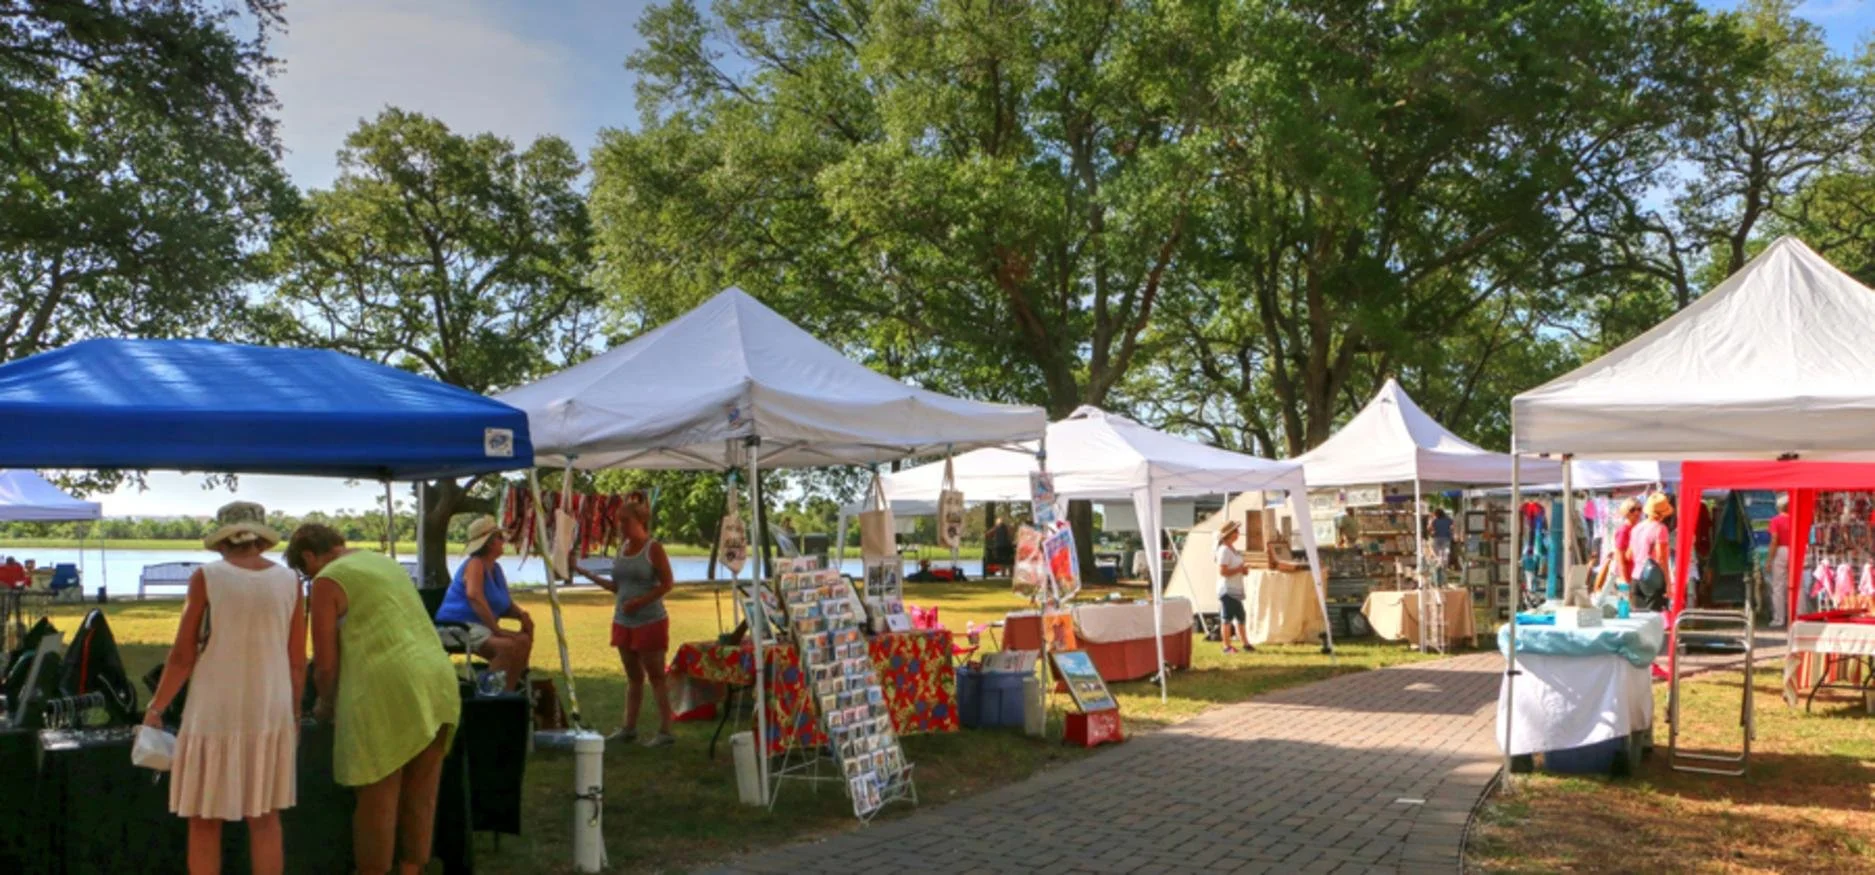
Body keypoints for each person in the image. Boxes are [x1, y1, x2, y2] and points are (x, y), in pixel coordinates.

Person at [288, 524, 460, 875]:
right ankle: (412, 869)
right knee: (421, 794)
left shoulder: (327, 580)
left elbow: (324, 663)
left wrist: (325, 704)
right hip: (438, 680)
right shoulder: (385, 563)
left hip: (385, 689)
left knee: (377, 797)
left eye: (304, 572)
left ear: (308, 556)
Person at [144, 502, 302, 875]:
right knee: (265, 818)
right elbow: (297, 658)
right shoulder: (290, 581)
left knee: (203, 818)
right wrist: (294, 713)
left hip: (214, 708)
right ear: (260, 540)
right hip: (270, 707)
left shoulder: (207, 577)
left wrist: (156, 707)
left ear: (220, 542)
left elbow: (183, 655)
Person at [575, 491, 676, 745]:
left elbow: (667, 584)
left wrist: (640, 602)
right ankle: (628, 727)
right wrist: (583, 573)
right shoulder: (622, 549)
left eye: (625, 522)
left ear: (640, 521)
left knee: (656, 676)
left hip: (650, 621)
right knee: (633, 677)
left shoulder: (654, 549)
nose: (621, 527)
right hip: (623, 621)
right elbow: (616, 587)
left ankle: (666, 731)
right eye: (619, 522)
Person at [434, 516, 532, 692]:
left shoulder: (496, 569)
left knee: (523, 640)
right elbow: (474, 596)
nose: (504, 541)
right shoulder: (475, 564)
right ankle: (488, 695)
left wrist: (522, 616)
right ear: (488, 543)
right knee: (506, 647)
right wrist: (497, 629)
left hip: (478, 627)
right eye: (500, 538)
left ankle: (508, 694)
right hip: (455, 626)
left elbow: (504, 604)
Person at [1628, 492, 1675, 612]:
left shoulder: (1636, 528)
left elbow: (1629, 555)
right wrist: (1668, 582)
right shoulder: (1660, 529)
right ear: (1662, 514)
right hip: (1652, 579)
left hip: (1635, 577)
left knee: (1639, 621)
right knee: (1653, 620)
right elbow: (1661, 558)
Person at [1214, 521, 1253, 654]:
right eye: (1236, 531)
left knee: (1241, 616)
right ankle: (1226, 647)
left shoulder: (1232, 549)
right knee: (1227, 618)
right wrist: (1239, 569)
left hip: (1235, 589)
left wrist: (1243, 570)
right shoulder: (1224, 550)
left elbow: (1236, 568)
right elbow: (1223, 572)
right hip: (1227, 589)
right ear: (1230, 534)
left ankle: (1245, 644)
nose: (1238, 534)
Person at [1766, 494, 1792, 628]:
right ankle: (1798, 615)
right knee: (1796, 585)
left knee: (1778, 586)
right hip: (1795, 550)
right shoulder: (1795, 519)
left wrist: (1769, 560)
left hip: (1781, 550)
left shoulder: (1775, 520)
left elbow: (1774, 539)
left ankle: (1779, 618)